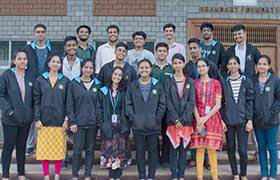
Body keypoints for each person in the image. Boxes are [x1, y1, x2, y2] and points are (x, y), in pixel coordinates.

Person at [125, 59, 166, 180]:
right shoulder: (133, 85)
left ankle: (151, 176)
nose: (144, 70)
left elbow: (162, 104)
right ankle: (142, 176)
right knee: (140, 152)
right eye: (141, 68)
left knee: (153, 153)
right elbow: (128, 103)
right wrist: (133, 118)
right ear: (138, 70)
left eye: (146, 67)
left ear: (151, 69)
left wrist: (157, 118)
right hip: (138, 126)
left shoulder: (157, 84)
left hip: (153, 126)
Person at [34, 54, 69, 180]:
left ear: (60, 65)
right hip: (44, 121)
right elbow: (36, 101)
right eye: (53, 61)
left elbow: (68, 103)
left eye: (58, 62)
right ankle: (46, 175)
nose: (55, 64)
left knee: (58, 150)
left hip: (59, 121)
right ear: (48, 64)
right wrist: (37, 119)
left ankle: (57, 174)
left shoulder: (65, 80)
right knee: (45, 150)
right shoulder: (40, 80)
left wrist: (66, 119)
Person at [190, 58, 226, 180]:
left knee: (211, 148)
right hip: (197, 117)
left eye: (203, 66)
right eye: (199, 66)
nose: (201, 68)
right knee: (200, 148)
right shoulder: (194, 83)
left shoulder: (216, 83)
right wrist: (198, 118)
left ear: (208, 67)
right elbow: (192, 103)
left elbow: (218, 105)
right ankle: (199, 177)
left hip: (212, 117)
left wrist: (204, 118)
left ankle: (215, 177)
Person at [0, 50, 33, 180]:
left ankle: (21, 174)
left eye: (24, 59)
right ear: (14, 61)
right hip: (10, 119)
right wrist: (9, 111)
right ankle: (6, 175)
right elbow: (1, 95)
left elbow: (33, 97)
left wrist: (30, 114)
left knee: (21, 147)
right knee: (8, 147)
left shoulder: (30, 76)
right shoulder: (7, 75)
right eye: (19, 59)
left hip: (25, 119)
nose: (22, 61)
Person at [23, 23, 55, 156]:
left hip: (47, 86)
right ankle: (30, 145)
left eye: (42, 32)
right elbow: (19, 64)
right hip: (31, 86)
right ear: (34, 33)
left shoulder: (51, 50)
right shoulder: (27, 49)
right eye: (38, 32)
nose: (40, 34)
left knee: (47, 114)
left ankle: (46, 144)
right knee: (32, 116)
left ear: (45, 33)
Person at [67, 59, 102, 180]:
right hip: (78, 124)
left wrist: (99, 122)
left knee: (90, 150)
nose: (88, 70)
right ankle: (75, 174)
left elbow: (100, 105)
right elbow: (70, 104)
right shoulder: (74, 83)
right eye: (86, 67)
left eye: (91, 68)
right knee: (77, 150)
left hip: (93, 123)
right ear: (82, 68)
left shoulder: (98, 84)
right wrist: (72, 121)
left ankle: (88, 174)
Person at [221, 55, 254, 180]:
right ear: (227, 67)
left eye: (235, 63)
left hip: (243, 121)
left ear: (239, 66)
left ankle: (243, 174)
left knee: (243, 150)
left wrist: (250, 119)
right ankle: (235, 173)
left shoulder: (246, 81)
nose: (233, 66)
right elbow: (221, 103)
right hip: (229, 121)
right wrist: (222, 120)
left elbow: (250, 101)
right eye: (230, 64)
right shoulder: (224, 82)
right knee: (230, 148)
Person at [165, 53, 195, 180]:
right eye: (175, 63)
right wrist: (176, 119)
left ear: (183, 64)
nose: (177, 65)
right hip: (173, 121)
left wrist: (182, 119)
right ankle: (174, 174)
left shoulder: (190, 81)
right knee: (173, 148)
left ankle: (181, 174)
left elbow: (191, 102)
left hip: (186, 121)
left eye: (179, 62)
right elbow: (167, 101)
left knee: (183, 149)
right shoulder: (168, 81)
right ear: (172, 65)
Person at [98, 67, 131, 180]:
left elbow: (127, 108)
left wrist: (126, 123)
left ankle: (118, 173)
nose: (116, 77)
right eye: (115, 74)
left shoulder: (124, 91)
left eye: (119, 75)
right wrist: (102, 123)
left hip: (121, 124)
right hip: (108, 124)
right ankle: (111, 174)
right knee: (110, 148)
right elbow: (99, 108)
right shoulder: (103, 91)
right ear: (111, 75)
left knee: (120, 148)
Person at [253, 55, 280, 180]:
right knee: (261, 148)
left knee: (272, 148)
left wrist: (271, 114)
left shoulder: (275, 80)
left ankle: (273, 174)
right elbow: (250, 100)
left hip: (272, 121)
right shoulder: (252, 80)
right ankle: (264, 174)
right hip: (257, 121)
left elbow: (278, 100)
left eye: (264, 64)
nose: (262, 66)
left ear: (269, 66)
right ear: (256, 66)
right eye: (259, 64)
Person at [151, 42, 174, 167]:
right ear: (156, 52)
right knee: (154, 134)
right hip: (153, 107)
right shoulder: (151, 69)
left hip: (168, 106)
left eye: (164, 51)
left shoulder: (171, 69)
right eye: (159, 51)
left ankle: (165, 159)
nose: (162, 53)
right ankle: (154, 159)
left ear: (167, 53)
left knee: (166, 134)